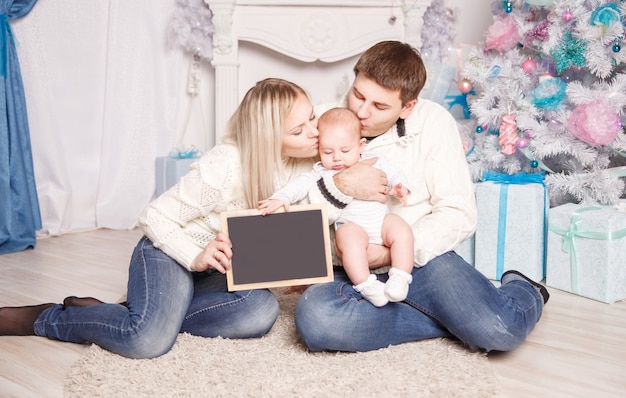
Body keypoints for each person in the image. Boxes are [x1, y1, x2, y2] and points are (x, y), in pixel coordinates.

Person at [0, 78, 320, 359]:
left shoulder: (309, 162)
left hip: (218, 267)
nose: (315, 132)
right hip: (169, 251)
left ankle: (128, 313)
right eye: (299, 129)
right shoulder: (224, 166)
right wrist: (195, 255)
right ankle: (46, 318)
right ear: (267, 137)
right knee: (146, 341)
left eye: (313, 118)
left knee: (260, 310)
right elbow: (153, 216)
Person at [294, 41, 550, 353]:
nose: (361, 111)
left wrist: (393, 252)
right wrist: (343, 185)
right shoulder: (323, 121)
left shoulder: (433, 122)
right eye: (358, 95)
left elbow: (459, 212)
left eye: (380, 106)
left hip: (420, 257)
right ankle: (455, 323)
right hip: (349, 264)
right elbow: (297, 206)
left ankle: (526, 289)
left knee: (499, 330)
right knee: (318, 320)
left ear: (407, 107)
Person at [259, 107, 414, 307]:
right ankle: (366, 284)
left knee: (402, 229)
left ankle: (400, 277)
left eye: (345, 150)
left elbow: (395, 173)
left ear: (360, 145)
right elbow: (298, 185)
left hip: (381, 222)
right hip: (352, 226)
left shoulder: (375, 161)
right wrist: (281, 198)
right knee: (347, 238)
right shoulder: (321, 171)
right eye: (328, 152)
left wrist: (401, 187)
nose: (337, 158)